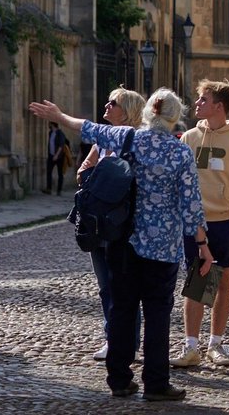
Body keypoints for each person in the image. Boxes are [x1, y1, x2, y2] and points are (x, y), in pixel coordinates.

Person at [28, 88, 211, 402]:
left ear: (148, 114)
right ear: (173, 118)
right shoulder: (180, 152)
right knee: (156, 314)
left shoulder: (128, 138)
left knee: (121, 308)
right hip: (162, 246)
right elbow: (191, 206)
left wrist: (59, 117)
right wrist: (203, 245)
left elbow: (87, 127)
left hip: (122, 240)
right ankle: (156, 382)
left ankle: (119, 379)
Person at [171, 79, 229, 369]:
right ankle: (191, 346)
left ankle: (216, 344)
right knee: (196, 283)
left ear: (218, 106)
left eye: (202, 100)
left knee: (223, 283)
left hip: (224, 223)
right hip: (195, 224)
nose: (196, 104)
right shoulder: (189, 138)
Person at [74, 85, 146, 361]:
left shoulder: (138, 142)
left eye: (112, 103)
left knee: (126, 288)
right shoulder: (102, 142)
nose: (106, 107)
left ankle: (130, 343)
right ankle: (111, 338)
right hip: (97, 224)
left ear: (127, 113)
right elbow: (83, 172)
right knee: (105, 287)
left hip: (125, 227)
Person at [45, 121, 68, 195]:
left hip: (59, 157)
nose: (48, 125)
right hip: (51, 155)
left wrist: (56, 155)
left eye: (49, 124)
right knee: (49, 171)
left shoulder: (60, 133)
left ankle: (59, 190)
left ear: (52, 124)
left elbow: (61, 146)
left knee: (60, 173)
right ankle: (49, 189)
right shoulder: (50, 133)